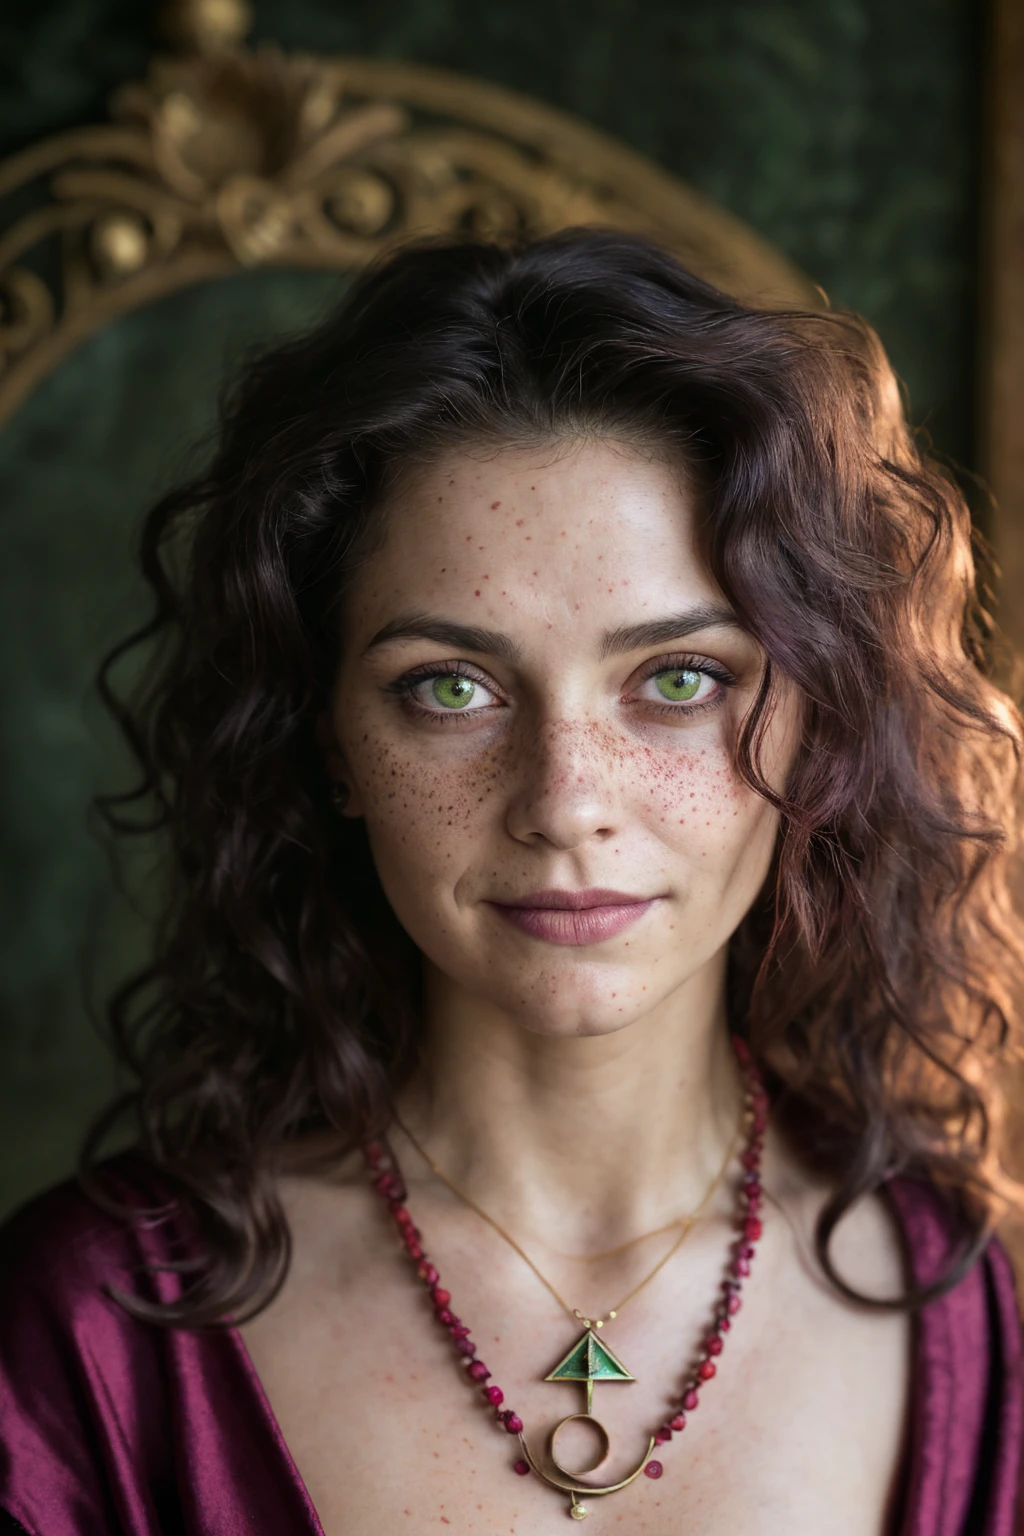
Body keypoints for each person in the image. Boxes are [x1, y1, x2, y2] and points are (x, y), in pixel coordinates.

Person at [0, 230, 1021, 1536]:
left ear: (819, 719)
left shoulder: (948, 1293)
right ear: (331, 744)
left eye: (679, 680)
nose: (566, 802)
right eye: (452, 687)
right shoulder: (90, 1332)